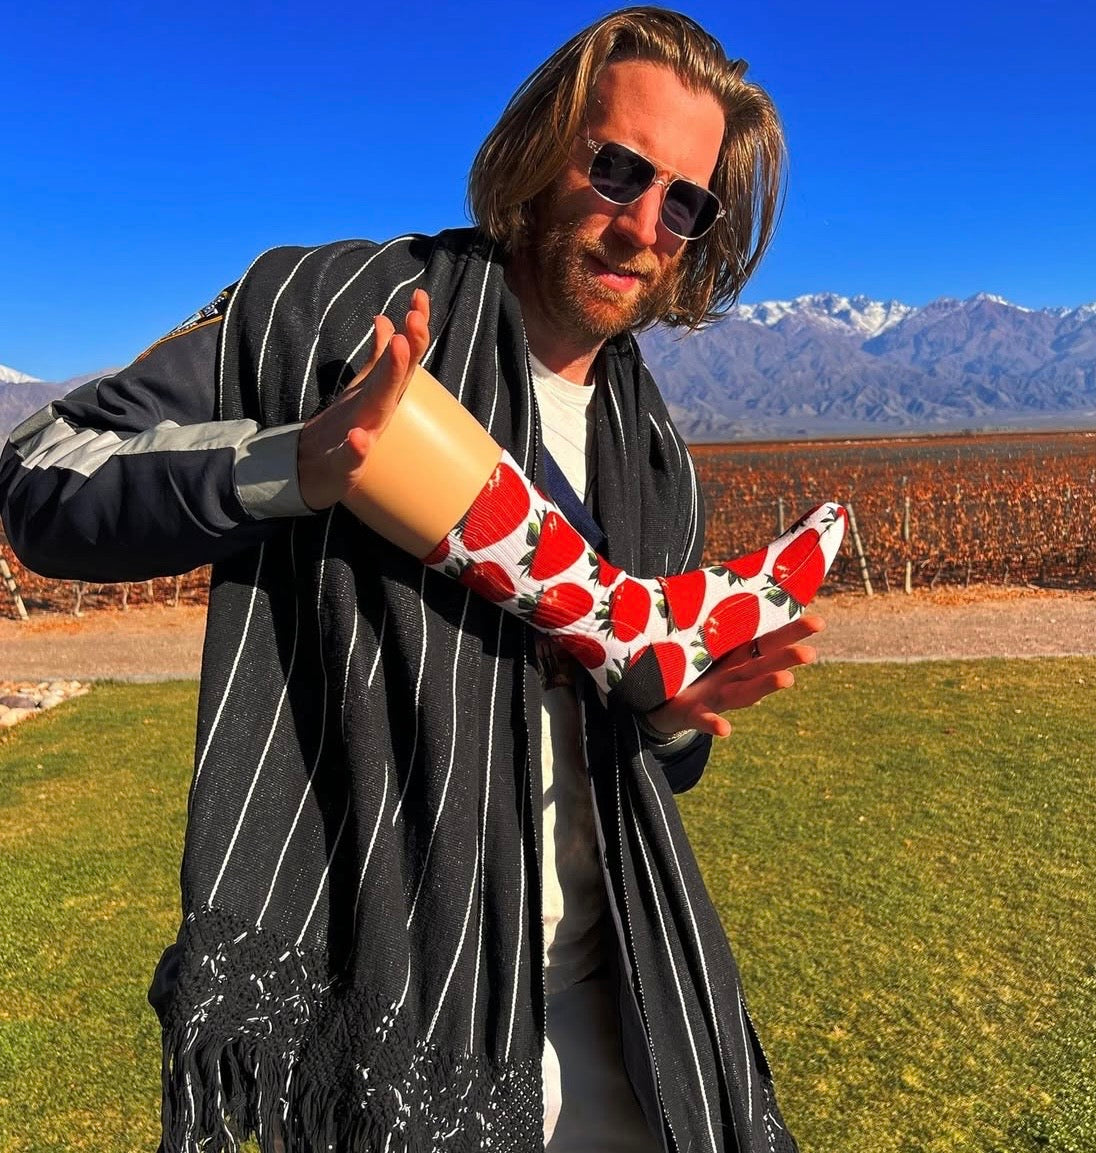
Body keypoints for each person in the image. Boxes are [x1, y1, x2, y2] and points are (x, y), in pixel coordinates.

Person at [0, 8, 839, 1151]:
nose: (643, 223)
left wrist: (663, 716)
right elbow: (43, 473)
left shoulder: (657, 461)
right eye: (616, 169)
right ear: (542, 148)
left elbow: (651, 767)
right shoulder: (325, 316)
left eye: (684, 202)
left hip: (625, 1010)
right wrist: (294, 464)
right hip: (399, 1031)